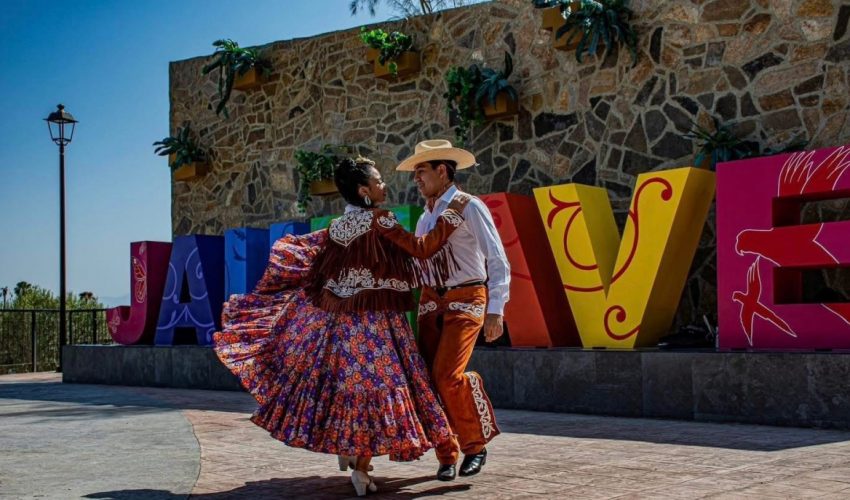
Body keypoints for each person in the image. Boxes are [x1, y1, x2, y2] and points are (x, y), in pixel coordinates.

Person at [213, 156, 471, 496]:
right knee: (389, 385)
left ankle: (356, 457)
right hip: (380, 327)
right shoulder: (383, 220)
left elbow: (315, 270)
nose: (384, 186)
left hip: (345, 329)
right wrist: (453, 215)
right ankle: (374, 462)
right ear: (364, 191)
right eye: (378, 181)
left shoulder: (337, 228)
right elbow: (420, 250)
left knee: (356, 389)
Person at [396, 139, 511, 481]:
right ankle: (446, 454)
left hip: (467, 297)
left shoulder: (469, 206)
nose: (416, 178)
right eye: (415, 172)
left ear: (441, 171)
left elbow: (496, 257)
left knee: (447, 375)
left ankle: (475, 446)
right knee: (427, 379)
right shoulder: (425, 218)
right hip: (431, 301)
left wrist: (496, 309)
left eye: (421, 171)